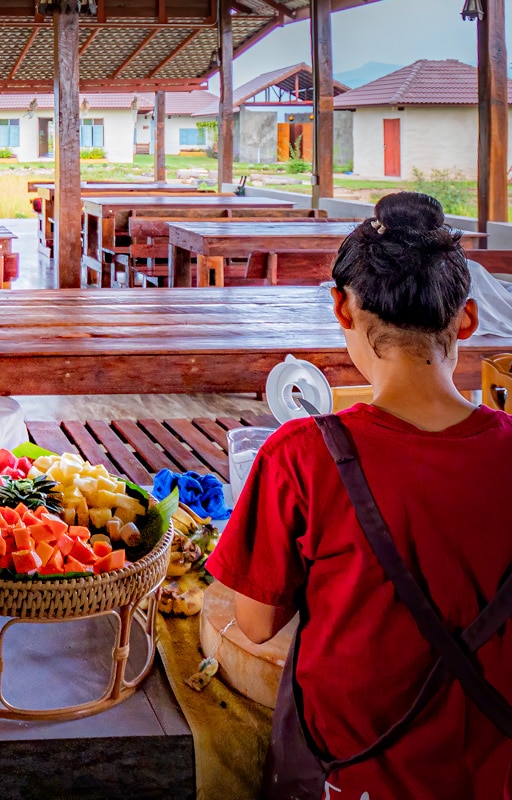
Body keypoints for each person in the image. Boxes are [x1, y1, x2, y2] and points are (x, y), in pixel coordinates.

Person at [207, 192, 512, 799]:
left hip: (351, 772)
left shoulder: (300, 455)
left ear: (341, 309)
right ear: (468, 321)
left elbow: (256, 622)